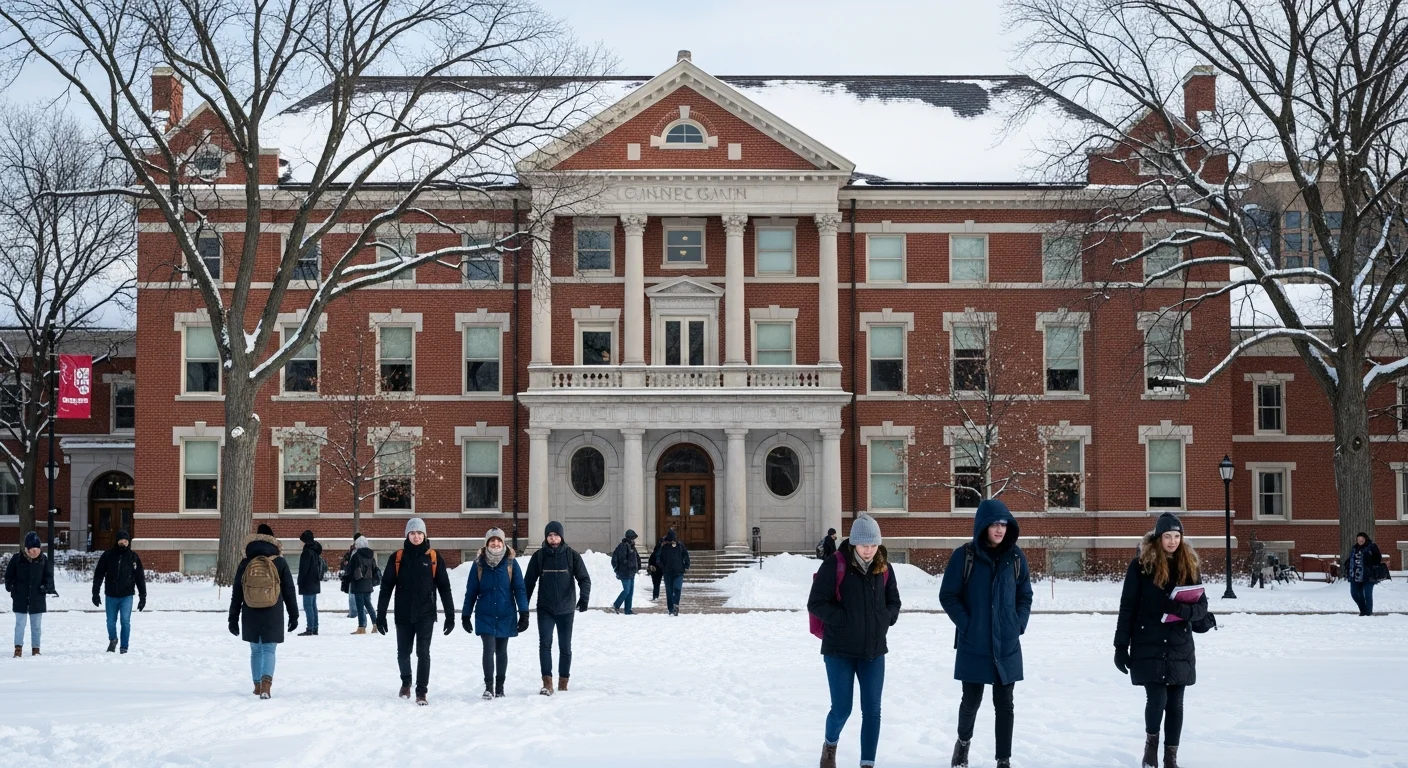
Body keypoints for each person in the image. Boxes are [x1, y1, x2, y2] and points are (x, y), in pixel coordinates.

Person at [939, 499, 1033, 768]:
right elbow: (948, 595)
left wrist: (1018, 624)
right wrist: (968, 625)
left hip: (1006, 643)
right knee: (971, 701)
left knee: (1005, 705)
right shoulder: (965, 556)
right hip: (974, 643)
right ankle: (963, 745)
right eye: (994, 524)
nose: (1000, 529)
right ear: (983, 526)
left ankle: (1003, 759)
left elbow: (1025, 595)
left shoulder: (1016, 557)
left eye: (1004, 524)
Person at [1114, 512, 1210, 768]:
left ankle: (1171, 758)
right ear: (1158, 537)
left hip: (1179, 645)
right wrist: (1120, 646)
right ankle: (1150, 748)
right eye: (1167, 536)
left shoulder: (1189, 565)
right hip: (1149, 642)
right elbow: (1128, 607)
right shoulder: (1141, 566)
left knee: (1176, 703)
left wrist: (1181, 610)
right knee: (1157, 699)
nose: (1172, 541)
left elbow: (1201, 607)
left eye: (1177, 536)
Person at [807, 514, 900, 768]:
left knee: (872, 711)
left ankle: (867, 763)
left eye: (874, 545)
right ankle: (830, 745)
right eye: (864, 545)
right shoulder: (835, 564)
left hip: (873, 651)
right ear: (854, 543)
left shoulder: (884, 567)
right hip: (839, 652)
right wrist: (843, 619)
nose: (869, 550)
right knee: (841, 709)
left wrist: (885, 618)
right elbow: (815, 603)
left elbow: (894, 602)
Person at [375, 518, 455, 705]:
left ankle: (421, 691)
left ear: (425, 535)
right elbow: (386, 587)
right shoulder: (397, 558)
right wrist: (380, 615)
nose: (416, 536)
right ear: (407, 535)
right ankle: (406, 681)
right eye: (413, 533)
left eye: (420, 533)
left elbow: (444, 588)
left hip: (426, 613)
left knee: (423, 652)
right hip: (403, 614)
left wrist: (450, 616)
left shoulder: (434, 558)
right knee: (403, 653)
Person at [227, 523, 299, 699]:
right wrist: (294, 614)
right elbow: (289, 590)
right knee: (269, 649)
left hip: (250, 609)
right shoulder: (280, 562)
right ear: (273, 541)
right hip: (273, 610)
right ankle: (266, 687)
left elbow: (237, 592)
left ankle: (257, 686)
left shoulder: (246, 562)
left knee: (255, 650)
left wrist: (233, 618)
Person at [524, 520, 591, 695]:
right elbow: (528, 583)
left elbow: (584, 578)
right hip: (545, 609)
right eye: (550, 535)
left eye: (556, 535)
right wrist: (522, 608)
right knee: (545, 644)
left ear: (561, 536)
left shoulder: (571, 555)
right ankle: (547, 683)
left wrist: (584, 598)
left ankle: (563, 682)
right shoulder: (539, 556)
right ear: (546, 537)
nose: (553, 539)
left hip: (566, 609)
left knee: (565, 646)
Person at [462, 527, 529, 700]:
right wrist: (466, 614)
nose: (496, 543)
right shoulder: (478, 564)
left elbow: (520, 589)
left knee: (501, 650)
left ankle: (500, 686)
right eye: (492, 541)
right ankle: (489, 687)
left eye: (498, 540)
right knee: (488, 649)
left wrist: (524, 613)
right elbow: (471, 591)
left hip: (506, 613)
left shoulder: (511, 563)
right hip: (485, 614)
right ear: (487, 544)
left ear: (503, 542)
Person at [91, 529, 147, 653]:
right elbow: (99, 574)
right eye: (121, 540)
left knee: (125, 621)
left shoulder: (133, 557)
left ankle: (124, 647)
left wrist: (143, 597)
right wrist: (95, 593)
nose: (123, 542)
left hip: (127, 595)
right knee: (110, 621)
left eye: (126, 540)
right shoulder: (108, 555)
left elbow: (140, 578)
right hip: (111, 595)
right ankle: (113, 640)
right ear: (117, 541)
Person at [5, 531, 53, 657]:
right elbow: (9, 574)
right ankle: (18, 648)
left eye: (37, 548)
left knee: (36, 626)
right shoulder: (17, 559)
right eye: (32, 549)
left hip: (37, 598)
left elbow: (49, 577)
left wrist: (45, 587)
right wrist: (10, 586)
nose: (35, 552)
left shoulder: (43, 560)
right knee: (20, 624)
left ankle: (36, 649)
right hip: (20, 597)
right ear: (26, 549)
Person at [343, 536, 380, 634]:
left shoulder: (356, 555)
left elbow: (351, 570)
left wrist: (345, 577)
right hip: (368, 583)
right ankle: (376, 624)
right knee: (368, 604)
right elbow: (374, 569)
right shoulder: (371, 555)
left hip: (358, 583)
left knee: (360, 606)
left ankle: (362, 627)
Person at [655, 529, 691, 616]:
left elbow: (685, 555)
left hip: (678, 571)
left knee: (677, 588)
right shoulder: (664, 547)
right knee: (669, 591)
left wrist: (686, 565)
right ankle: (670, 608)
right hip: (667, 572)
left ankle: (675, 605)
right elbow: (658, 558)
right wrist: (662, 566)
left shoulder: (680, 546)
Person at [1346, 532, 1383, 617]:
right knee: (1354, 594)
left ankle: (1368, 613)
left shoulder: (1371, 547)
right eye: (1358, 539)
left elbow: (1378, 558)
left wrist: (1372, 567)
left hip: (1368, 576)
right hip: (1355, 576)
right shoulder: (1354, 548)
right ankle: (1363, 610)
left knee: (1367, 594)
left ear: (1365, 539)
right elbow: (1351, 559)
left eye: (1362, 539)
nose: (1360, 541)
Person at [296, 530, 324, 636]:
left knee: (308, 606)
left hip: (308, 582)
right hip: (314, 581)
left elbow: (304, 569)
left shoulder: (307, 552)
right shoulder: (315, 551)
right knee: (313, 606)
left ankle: (310, 628)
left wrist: (300, 581)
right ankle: (315, 627)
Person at [610, 529, 641, 614]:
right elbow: (622, 559)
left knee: (630, 592)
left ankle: (628, 610)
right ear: (630, 538)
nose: (634, 540)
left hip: (631, 572)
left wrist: (637, 566)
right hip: (625, 572)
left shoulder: (632, 547)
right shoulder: (624, 546)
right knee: (626, 590)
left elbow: (636, 558)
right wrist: (627, 566)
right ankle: (616, 605)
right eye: (633, 538)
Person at [340, 534, 361, 618]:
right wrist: (345, 562)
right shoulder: (352, 549)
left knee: (356, 595)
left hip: (358, 575)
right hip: (352, 575)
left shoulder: (361, 550)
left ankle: (356, 612)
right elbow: (346, 559)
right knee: (352, 595)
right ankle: (353, 612)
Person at [647, 531, 667, 601]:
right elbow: (652, 559)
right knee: (656, 583)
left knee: (657, 583)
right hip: (657, 569)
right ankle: (655, 596)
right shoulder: (657, 551)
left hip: (662, 568)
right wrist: (651, 566)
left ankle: (656, 596)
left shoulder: (666, 550)